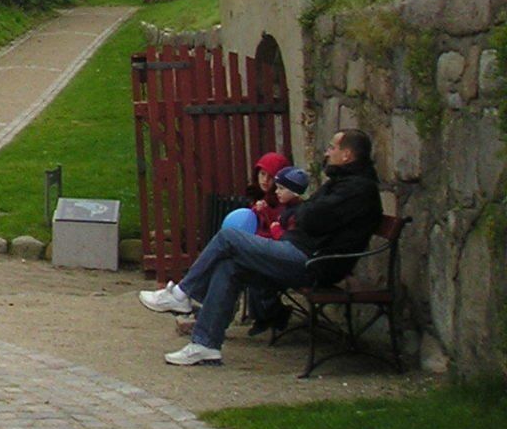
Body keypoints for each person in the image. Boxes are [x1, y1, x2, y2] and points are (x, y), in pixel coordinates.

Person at [137, 130, 383, 366]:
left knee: (229, 237)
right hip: (298, 251)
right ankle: (206, 345)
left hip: (313, 263)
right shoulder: (342, 183)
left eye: (332, 148)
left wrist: (302, 213)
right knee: (229, 265)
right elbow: (298, 215)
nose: (327, 153)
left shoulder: (358, 189)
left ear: (348, 155)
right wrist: (302, 213)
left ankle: (182, 294)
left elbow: (308, 218)